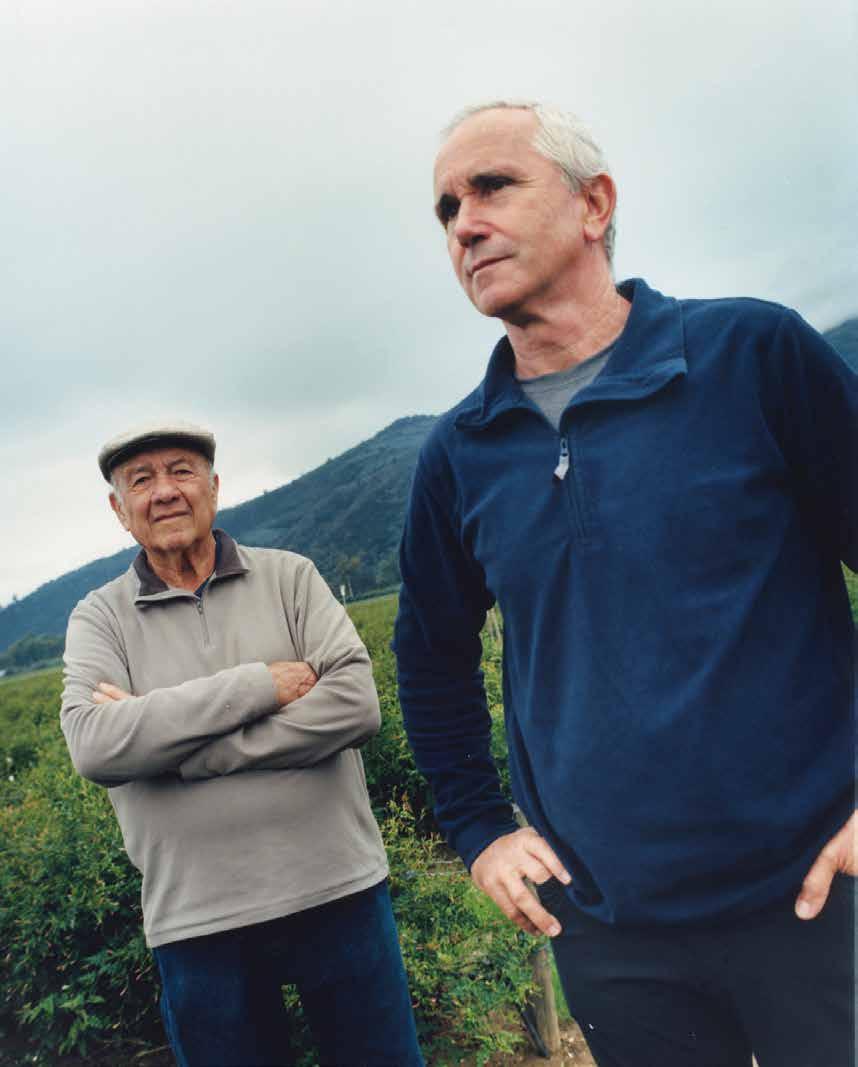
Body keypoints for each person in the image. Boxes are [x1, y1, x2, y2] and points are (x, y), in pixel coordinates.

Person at [393, 101, 857, 1067]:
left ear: (593, 204)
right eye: (446, 208)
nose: (464, 224)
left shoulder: (752, 357)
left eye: (492, 187)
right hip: (613, 934)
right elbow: (430, 658)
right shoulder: (460, 454)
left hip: (821, 893)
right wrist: (480, 829)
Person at [61, 420, 423, 1067]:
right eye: (141, 480)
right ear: (119, 509)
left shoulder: (290, 577)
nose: (164, 491)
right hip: (197, 920)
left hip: (338, 891)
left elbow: (354, 704)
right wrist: (258, 685)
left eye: (181, 471)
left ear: (215, 487)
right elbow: (94, 745)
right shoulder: (99, 617)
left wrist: (187, 750)